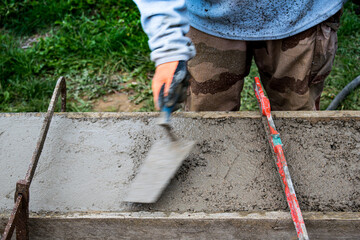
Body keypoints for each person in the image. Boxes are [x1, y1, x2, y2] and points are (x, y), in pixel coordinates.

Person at [133, 0, 345, 112]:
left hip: (302, 14)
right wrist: (168, 44)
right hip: (206, 16)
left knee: (297, 122)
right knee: (207, 126)